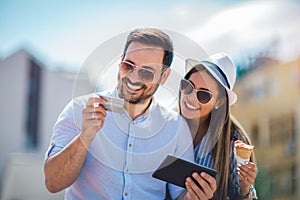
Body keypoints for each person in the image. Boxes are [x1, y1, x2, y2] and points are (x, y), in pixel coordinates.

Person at [44, 28, 214, 199]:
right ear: (120, 62)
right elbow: (53, 183)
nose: (133, 78)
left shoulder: (176, 127)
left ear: (164, 76)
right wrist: (85, 136)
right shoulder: (79, 109)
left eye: (147, 73)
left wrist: (194, 196)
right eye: (128, 66)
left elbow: (180, 194)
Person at [178, 53, 258, 199]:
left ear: (219, 102)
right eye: (187, 86)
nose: (190, 98)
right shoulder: (166, 126)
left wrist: (245, 189)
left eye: (203, 95)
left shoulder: (234, 142)